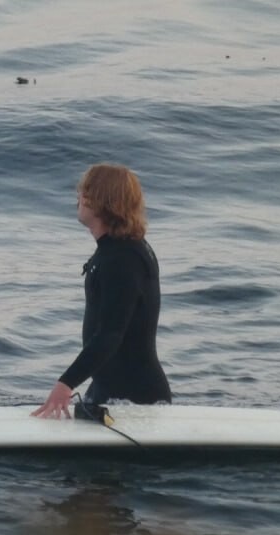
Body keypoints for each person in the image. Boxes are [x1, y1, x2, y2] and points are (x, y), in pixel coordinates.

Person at [32, 163, 172, 420]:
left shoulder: (123, 259)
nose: (78, 198)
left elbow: (111, 333)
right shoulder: (119, 250)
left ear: (101, 202)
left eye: (85, 192)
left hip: (136, 401)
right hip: (111, 392)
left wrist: (65, 384)